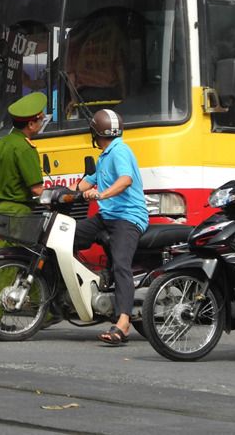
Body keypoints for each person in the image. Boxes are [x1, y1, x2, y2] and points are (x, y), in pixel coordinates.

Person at [72, 109, 148, 346]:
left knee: (121, 265)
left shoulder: (120, 151)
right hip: (107, 217)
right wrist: (59, 194)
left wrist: (102, 194)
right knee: (65, 236)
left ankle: (123, 323)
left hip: (128, 217)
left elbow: (126, 180)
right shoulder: (104, 157)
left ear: (95, 133)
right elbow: (84, 183)